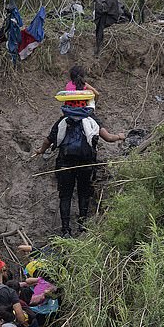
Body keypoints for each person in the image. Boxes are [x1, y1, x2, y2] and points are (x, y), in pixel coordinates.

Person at [33, 99, 125, 236]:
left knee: (65, 196)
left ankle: (65, 230)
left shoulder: (63, 120)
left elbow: (48, 140)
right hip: (86, 163)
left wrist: (41, 151)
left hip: (65, 164)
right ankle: (83, 227)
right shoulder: (92, 119)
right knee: (84, 194)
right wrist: (120, 136)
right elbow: (108, 138)